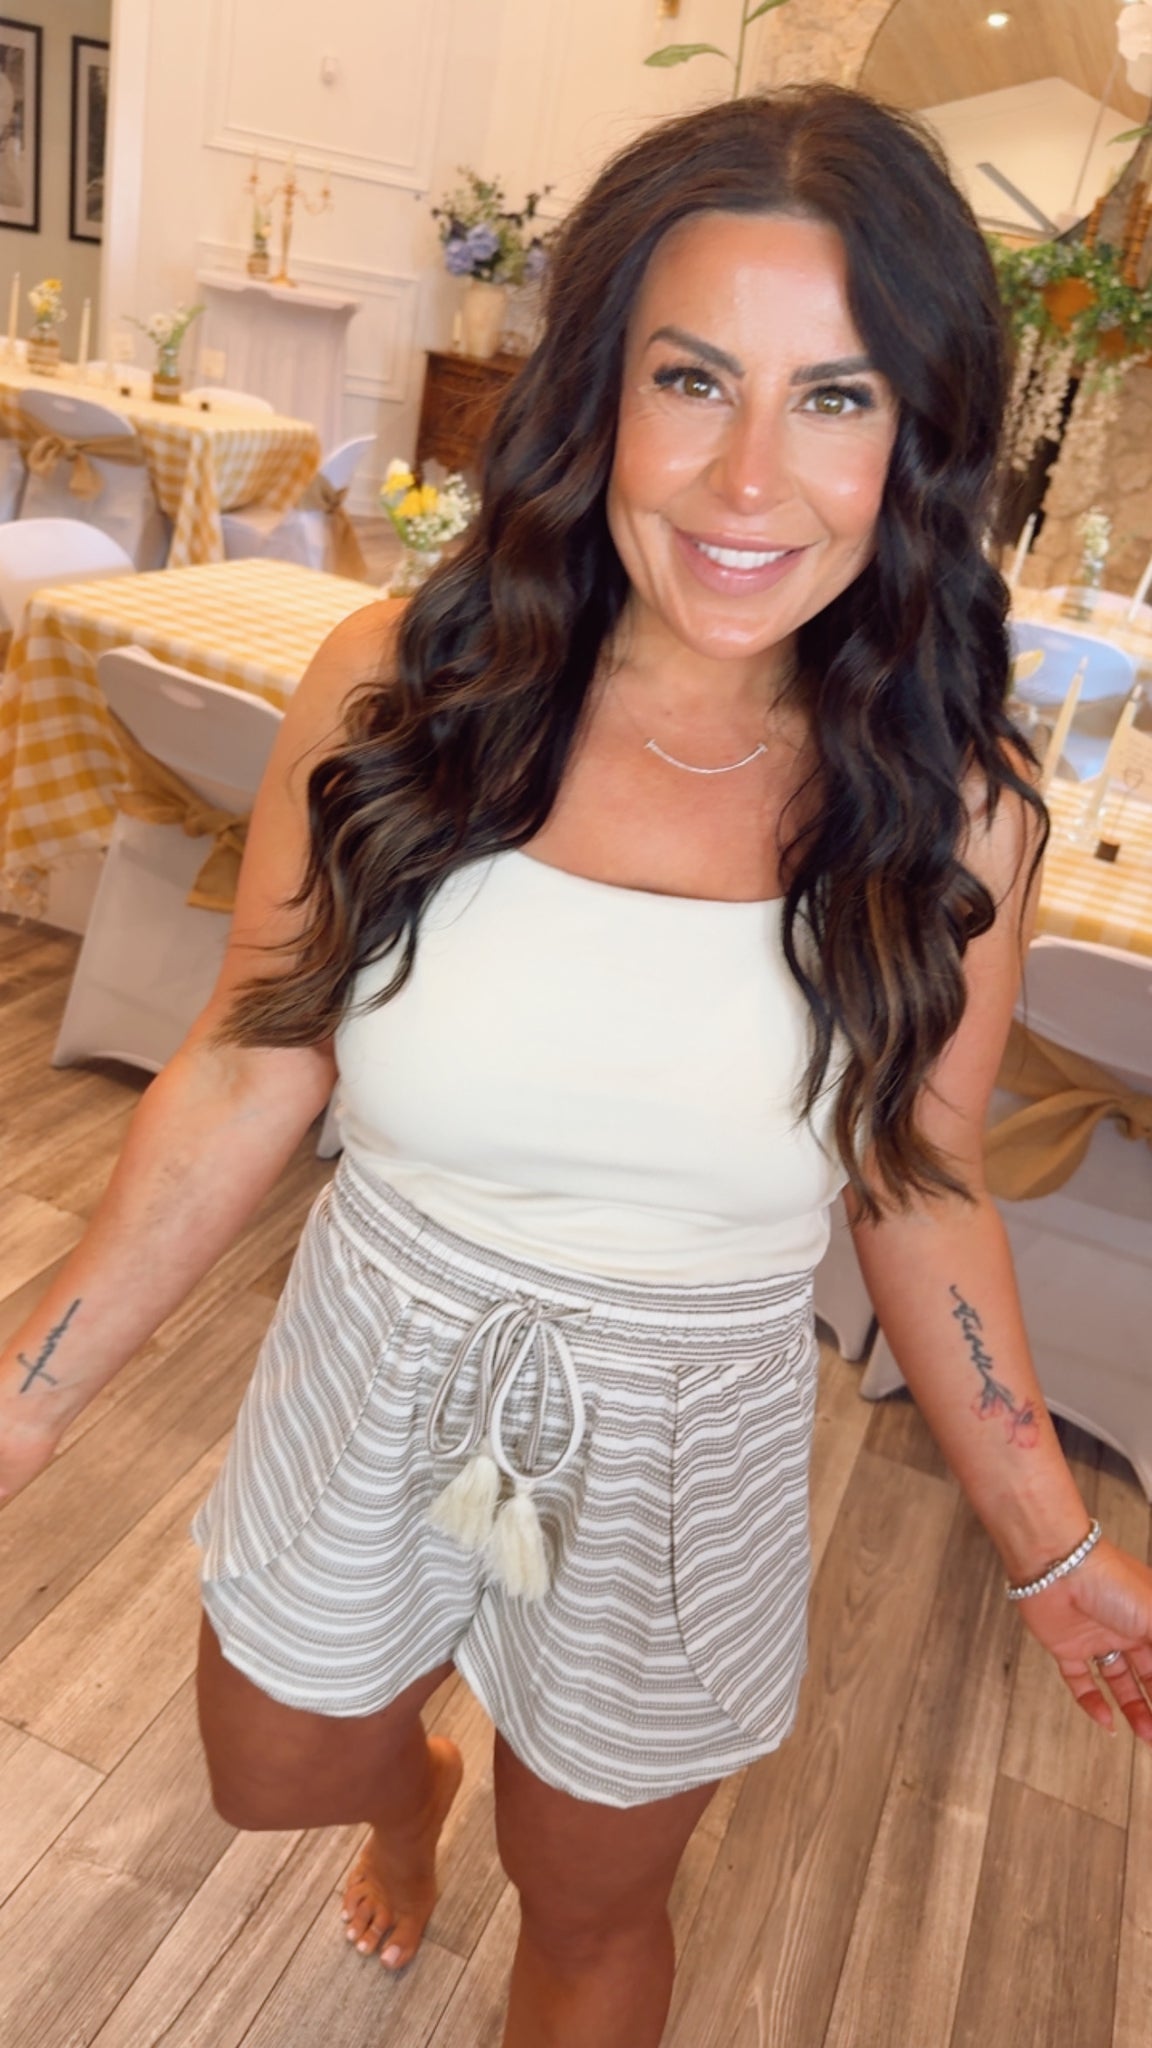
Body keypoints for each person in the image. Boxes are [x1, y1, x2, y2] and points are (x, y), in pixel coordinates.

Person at [2, 85, 1150, 2048]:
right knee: (270, 1765)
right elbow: (251, 1059)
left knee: (594, 1901)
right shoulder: (405, 685)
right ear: (598, 390)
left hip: (690, 1422)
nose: (747, 482)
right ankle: (414, 1784)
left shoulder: (951, 806)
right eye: (693, 379)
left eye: (837, 397)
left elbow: (927, 1172)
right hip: (380, 1336)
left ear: (919, 440)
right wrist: (26, 1396)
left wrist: (1051, 1542)